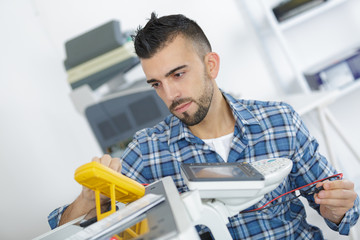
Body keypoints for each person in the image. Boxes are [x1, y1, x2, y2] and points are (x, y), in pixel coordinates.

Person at [48, 12, 359, 239]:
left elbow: (343, 215)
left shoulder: (280, 121)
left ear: (211, 65)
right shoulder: (147, 152)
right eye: (156, 83)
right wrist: (87, 201)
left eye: (178, 74)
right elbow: (63, 233)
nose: (169, 95)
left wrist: (338, 209)